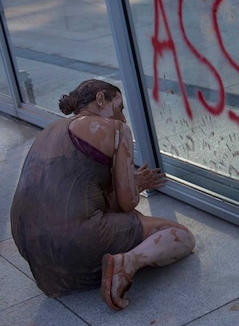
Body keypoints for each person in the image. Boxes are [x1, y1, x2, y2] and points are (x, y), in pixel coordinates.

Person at [10, 79, 195, 310]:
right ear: (100, 99)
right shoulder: (116, 130)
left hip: (35, 257)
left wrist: (129, 184)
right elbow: (127, 204)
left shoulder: (49, 130)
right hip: (73, 241)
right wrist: (133, 186)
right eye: (119, 108)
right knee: (181, 236)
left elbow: (75, 193)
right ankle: (125, 264)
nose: (123, 118)